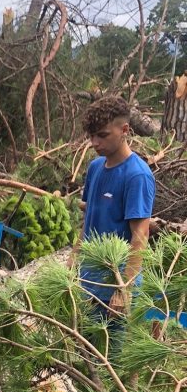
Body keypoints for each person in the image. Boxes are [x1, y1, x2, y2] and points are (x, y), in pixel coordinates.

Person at [75, 95, 155, 317]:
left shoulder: (137, 175)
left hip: (114, 287)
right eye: (91, 136)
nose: (95, 143)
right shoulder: (95, 168)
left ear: (125, 130)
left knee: (111, 351)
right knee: (83, 348)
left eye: (102, 135)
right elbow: (90, 218)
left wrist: (124, 289)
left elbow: (140, 235)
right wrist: (74, 256)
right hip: (87, 281)